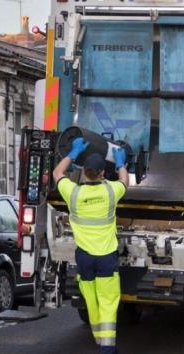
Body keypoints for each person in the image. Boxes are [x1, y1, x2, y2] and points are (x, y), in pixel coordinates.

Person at [52, 137, 130, 354]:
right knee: (107, 300)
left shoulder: (73, 193)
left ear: (83, 171)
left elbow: (57, 174)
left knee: (92, 299)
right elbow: (125, 181)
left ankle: (98, 337)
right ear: (103, 173)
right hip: (106, 257)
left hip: (84, 257)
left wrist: (72, 154)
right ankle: (107, 348)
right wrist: (121, 163)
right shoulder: (111, 192)